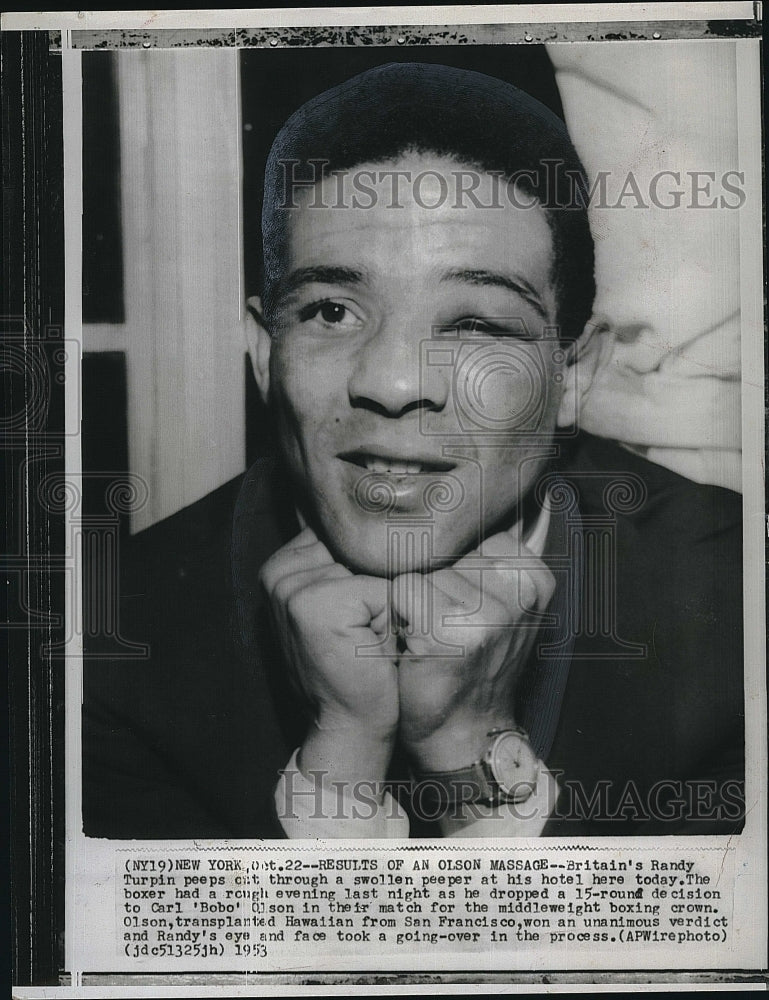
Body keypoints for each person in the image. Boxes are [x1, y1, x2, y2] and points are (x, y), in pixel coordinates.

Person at [83, 63, 744, 840]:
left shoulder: (734, 608)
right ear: (265, 352)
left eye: (474, 325)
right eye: (331, 310)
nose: (394, 384)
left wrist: (470, 757)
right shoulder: (105, 646)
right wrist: (342, 765)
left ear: (573, 375)